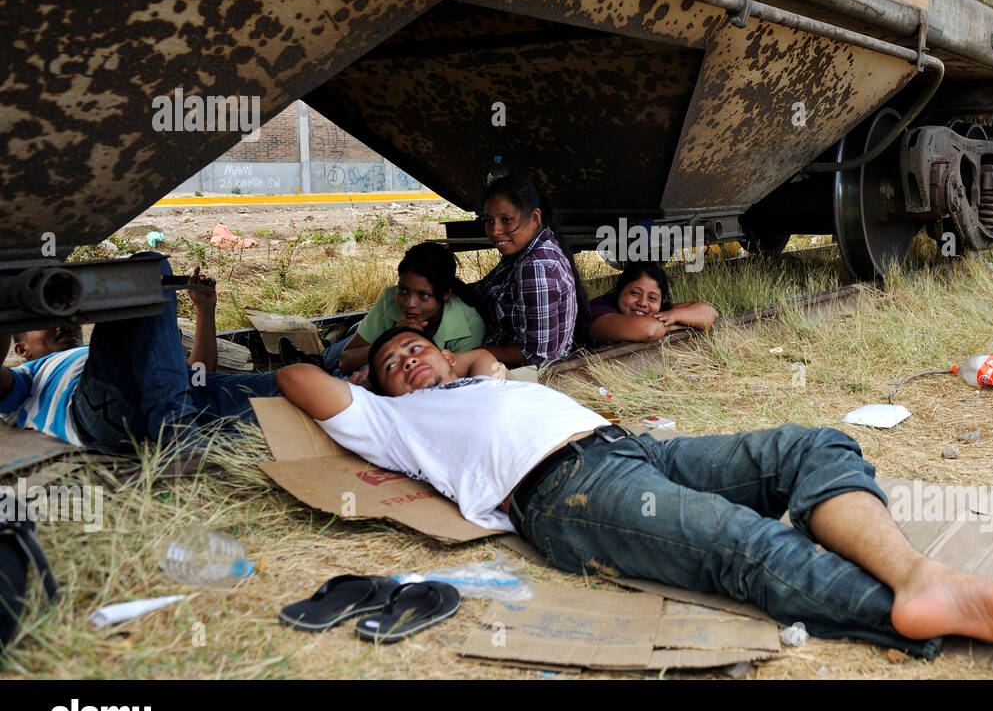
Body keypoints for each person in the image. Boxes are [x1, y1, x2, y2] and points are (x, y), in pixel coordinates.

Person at [275, 327, 993, 656]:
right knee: (741, 543)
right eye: (394, 363)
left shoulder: (481, 379)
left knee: (811, 444)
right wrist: (357, 366)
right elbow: (293, 376)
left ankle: (917, 575)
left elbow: (486, 357)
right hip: (564, 493)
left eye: (418, 348)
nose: (410, 360)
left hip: (635, 450)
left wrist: (469, 360)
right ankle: (922, 607)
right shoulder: (393, 421)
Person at [1, 253, 280, 452]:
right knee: (148, 265)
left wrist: (204, 309)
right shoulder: (28, 378)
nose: (61, 323)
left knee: (286, 387)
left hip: (180, 403)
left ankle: (180, 428)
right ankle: (179, 437)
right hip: (100, 413)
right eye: (46, 322)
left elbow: (195, 375)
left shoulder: (91, 353)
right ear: (21, 348)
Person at [284, 241, 486, 376]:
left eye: (423, 295)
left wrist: (394, 343)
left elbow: (448, 383)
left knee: (350, 373)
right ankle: (315, 362)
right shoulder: (391, 299)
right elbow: (346, 360)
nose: (409, 303)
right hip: (363, 350)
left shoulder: (468, 328)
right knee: (336, 356)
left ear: (445, 295)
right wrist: (391, 336)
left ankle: (315, 367)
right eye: (404, 290)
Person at [473, 174, 585, 367]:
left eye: (506, 220)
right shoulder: (524, 251)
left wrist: (479, 354)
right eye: (489, 220)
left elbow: (538, 358)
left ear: (534, 218)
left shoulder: (536, 267)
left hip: (529, 376)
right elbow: (481, 290)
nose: (494, 230)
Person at [586, 263, 718, 345]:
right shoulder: (599, 310)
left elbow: (709, 313)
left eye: (652, 298)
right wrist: (677, 323)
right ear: (619, 291)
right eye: (635, 293)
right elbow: (649, 330)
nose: (643, 303)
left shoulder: (659, 312)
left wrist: (675, 315)